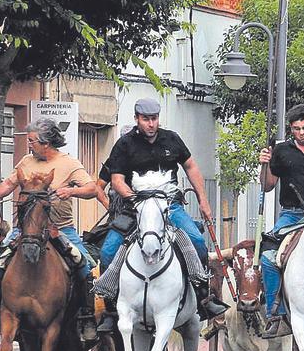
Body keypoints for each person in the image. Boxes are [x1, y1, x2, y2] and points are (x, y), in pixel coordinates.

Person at [96, 98, 227, 327]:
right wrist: (135, 199)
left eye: (154, 119)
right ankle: (110, 309)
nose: (151, 124)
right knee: (107, 251)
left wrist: (203, 200)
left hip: (170, 206)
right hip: (134, 207)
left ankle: (203, 296)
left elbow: (191, 167)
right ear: (137, 119)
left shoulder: (172, 139)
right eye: (146, 119)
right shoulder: (124, 145)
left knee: (196, 240)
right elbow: (116, 180)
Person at [0, 118, 100, 341]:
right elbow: (7, 185)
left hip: (61, 229)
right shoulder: (26, 161)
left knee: (84, 267)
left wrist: (71, 192)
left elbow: (92, 189)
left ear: (45, 143)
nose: (29, 145)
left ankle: (87, 318)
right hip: (25, 230)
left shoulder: (69, 164)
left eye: (31, 141)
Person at [256, 104, 304, 338]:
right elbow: (267, 185)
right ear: (291, 130)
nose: (302, 132)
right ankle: (275, 314)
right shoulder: (282, 151)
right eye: (297, 129)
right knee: (268, 256)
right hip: (291, 214)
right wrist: (265, 164)